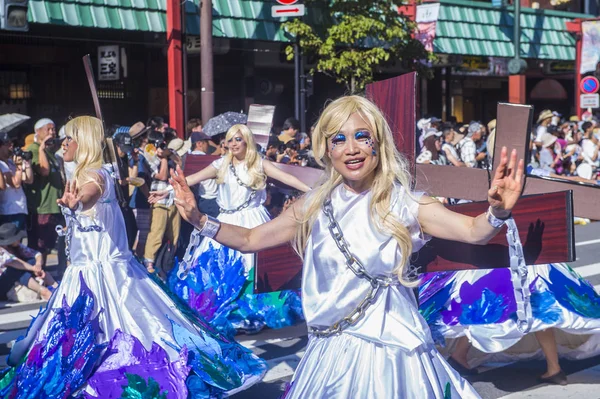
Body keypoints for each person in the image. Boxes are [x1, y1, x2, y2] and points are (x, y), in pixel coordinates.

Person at [169, 95, 525, 398]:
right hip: (328, 354)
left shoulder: (405, 204)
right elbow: (250, 240)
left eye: (361, 137)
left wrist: (497, 211)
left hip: (391, 353)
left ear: (378, 144)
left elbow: (473, 231)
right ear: (327, 148)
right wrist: (199, 219)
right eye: (339, 139)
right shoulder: (314, 205)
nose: (351, 149)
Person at [0, 116, 265, 397]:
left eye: (70, 137)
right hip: (85, 271)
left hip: (106, 274)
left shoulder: (94, 174)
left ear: (84, 142)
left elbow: (91, 192)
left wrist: (79, 201)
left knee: (120, 335)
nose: (64, 143)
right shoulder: (92, 171)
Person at [150, 124, 310, 336]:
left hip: (253, 220)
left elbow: (286, 178)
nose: (233, 143)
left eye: (238, 139)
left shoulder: (258, 164)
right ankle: (224, 311)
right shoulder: (220, 164)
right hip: (225, 220)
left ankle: (251, 314)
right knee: (218, 268)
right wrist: (167, 192)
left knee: (251, 269)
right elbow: (190, 180)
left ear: (247, 141)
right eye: (230, 139)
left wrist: (313, 191)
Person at [25, 118, 64, 266]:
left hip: (54, 205)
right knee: (38, 245)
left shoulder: (50, 151)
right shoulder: (33, 150)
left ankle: (43, 274)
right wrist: (41, 149)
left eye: (53, 129)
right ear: (38, 131)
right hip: (41, 206)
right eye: (48, 129)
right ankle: (36, 276)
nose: (52, 132)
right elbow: (44, 171)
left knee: (47, 244)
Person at [0, 222, 57, 301]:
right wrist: (34, 269)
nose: (19, 239)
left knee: (32, 260)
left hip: (16, 278)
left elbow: (37, 254)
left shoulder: (18, 246)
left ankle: (54, 285)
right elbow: (14, 262)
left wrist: (38, 265)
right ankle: (43, 291)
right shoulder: (1, 251)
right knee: (16, 270)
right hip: (3, 284)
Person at [0, 132, 33, 231]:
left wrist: (26, 163)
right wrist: (19, 166)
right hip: (9, 211)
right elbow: (16, 183)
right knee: (13, 243)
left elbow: (29, 179)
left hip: (21, 209)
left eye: (11, 143)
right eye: (7, 143)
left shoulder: (11, 162)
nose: (11, 145)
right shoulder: (1, 164)